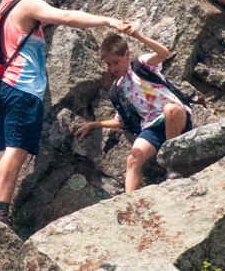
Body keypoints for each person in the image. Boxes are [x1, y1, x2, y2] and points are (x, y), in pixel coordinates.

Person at [0, 0, 137, 224]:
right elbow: (66, 17)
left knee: (1, 154)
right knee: (17, 149)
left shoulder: (6, 6)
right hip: (21, 88)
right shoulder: (31, 4)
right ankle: (1, 210)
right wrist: (107, 21)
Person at [75, 31, 192, 193]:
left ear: (127, 55)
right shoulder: (116, 91)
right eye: (108, 65)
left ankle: (172, 168)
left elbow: (163, 53)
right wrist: (94, 124)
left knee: (170, 109)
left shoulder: (141, 65)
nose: (112, 68)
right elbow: (121, 121)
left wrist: (137, 36)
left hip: (177, 118)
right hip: (152, 128)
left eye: (116, 62)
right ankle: (130, 202)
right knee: (133, 159)